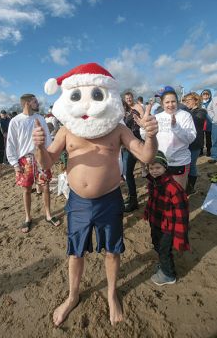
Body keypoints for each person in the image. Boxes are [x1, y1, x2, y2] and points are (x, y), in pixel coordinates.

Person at [33, 63, 158, 326]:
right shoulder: (68, 129)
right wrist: (39, 147)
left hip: (110, 198)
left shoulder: (117, 128)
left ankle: (112, 293)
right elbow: (47, 162)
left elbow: (146, 156)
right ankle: (72, 295)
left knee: (112, 251)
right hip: (77, 201)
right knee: (75, 252)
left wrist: (151, 135)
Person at [6, 94, 61, 233]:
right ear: (27, 103)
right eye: (35, 101)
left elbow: (47, 139)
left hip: (41, 156)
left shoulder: (40, 118)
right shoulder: (15, 121)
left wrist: (49, 157)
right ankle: (28, 218)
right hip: (25, 160)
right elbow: (11, 143)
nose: (38, 103)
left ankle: (48, 215)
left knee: (46, 186)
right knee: (26, 189)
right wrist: (15, 164)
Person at [144, 151, 190, 286]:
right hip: (156, 222)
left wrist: (180, 235)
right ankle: (164, 265)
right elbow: (151, 201)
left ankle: (168, 275)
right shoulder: (152, 183)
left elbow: (182, 213)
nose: (154, 171)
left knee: (164, 250)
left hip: (168, 227)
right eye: (151, 168)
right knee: (157, 245)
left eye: (158, 167)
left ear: (165, 167)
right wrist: (147, 214)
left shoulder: (173, 187)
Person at [144, 86, 196, 189]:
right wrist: (144, 128)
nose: (170, 105)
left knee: (178, 193)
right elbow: (147, 137)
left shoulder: (185, 116)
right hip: (160, 163)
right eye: (167, 102)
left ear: (177, 102)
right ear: (162, 103)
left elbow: (190, 138)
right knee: (163, 193)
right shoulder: (157, 117)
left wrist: (176, 127)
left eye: (173, 101)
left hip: (179, 162)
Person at [122, 91, 144, 212]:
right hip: (126, 143)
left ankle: (134, 200)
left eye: (130, 97)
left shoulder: (138, 107)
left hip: (136, 141)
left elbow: (144, 119)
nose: (129, 99)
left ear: (133, 97)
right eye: (126, 98)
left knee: (128, 172)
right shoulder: (123, 110)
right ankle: (132, 197)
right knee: (127, 172)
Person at [184, 93, 207, 195]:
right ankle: (185, 185)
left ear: (196, 100)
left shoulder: (201, 111)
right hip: (185, 143)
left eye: (188, 100)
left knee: (191, 165)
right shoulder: (187, 111)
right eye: (185, 100)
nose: (186, 102)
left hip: (195, 144)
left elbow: (195, 120)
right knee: (185, 165)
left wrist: (183, 111)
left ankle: (190, 187)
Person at [200, 89, 212, 157]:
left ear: (209, 95)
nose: (205, 96)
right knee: (200, 137)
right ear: (202, 95)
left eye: (207, 94)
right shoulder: (199, 103)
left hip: (208, 123)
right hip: (200, 123)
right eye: (204, 94)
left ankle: (208, 151)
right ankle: (201, 151)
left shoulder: (211, 103)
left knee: (208, 138)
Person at [206, 91, 217, 164]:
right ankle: (214, 156)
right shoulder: (214, 99)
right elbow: (209, 109)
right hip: (215, 124)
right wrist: (213, 118)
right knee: (215, 141)